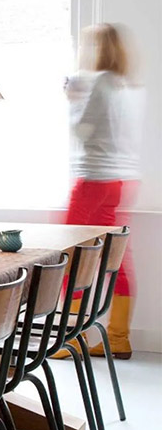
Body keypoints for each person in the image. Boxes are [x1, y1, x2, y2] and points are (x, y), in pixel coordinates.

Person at [61, 23, 142, 359]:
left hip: (94, 180)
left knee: (70, 257)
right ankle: (119, 337)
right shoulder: (124, 86)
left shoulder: (99, 86)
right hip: (120, 181)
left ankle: (71, 338)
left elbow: (82, 131)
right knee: (116, 257)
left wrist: (72, 98)